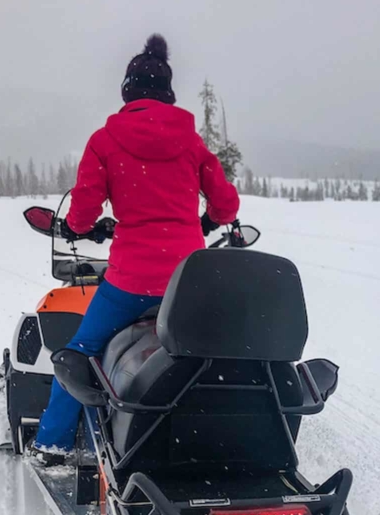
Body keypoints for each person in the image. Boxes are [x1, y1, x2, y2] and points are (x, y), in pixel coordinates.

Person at [32, 34, 240, 463]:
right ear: (168, 94)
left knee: (79, 353)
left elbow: (84, 211)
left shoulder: (105, 141)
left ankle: (51, 443)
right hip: (186, 281)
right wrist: (203, 222)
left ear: (127, 91)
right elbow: (226, 204)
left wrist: (79, 228)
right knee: (205, 352)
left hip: (130, 282)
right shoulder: (191, 142)